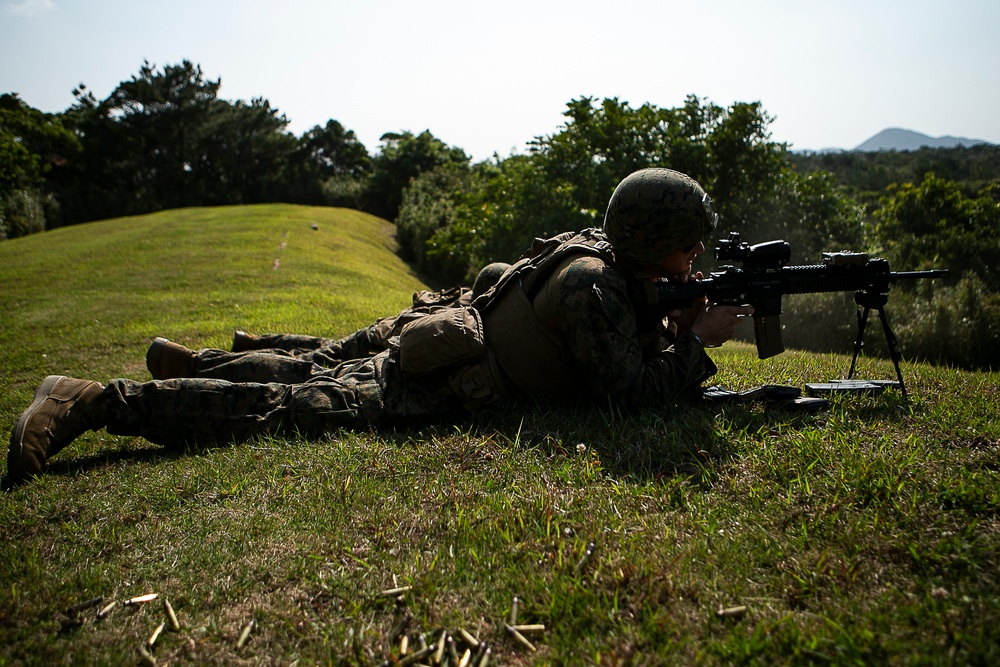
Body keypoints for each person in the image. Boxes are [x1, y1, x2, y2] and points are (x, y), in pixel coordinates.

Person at [7, 168, 753, 483]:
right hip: (444, 378)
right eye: (688, 244)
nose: (694, 257)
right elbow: (627, 397)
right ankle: (94, 400)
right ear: (654, 238)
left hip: (449, 356)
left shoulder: (611, 261)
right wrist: (697, 339)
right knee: (285, 406)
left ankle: (184, 370)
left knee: (304, 375)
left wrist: (676, 318)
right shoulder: (596, 285)